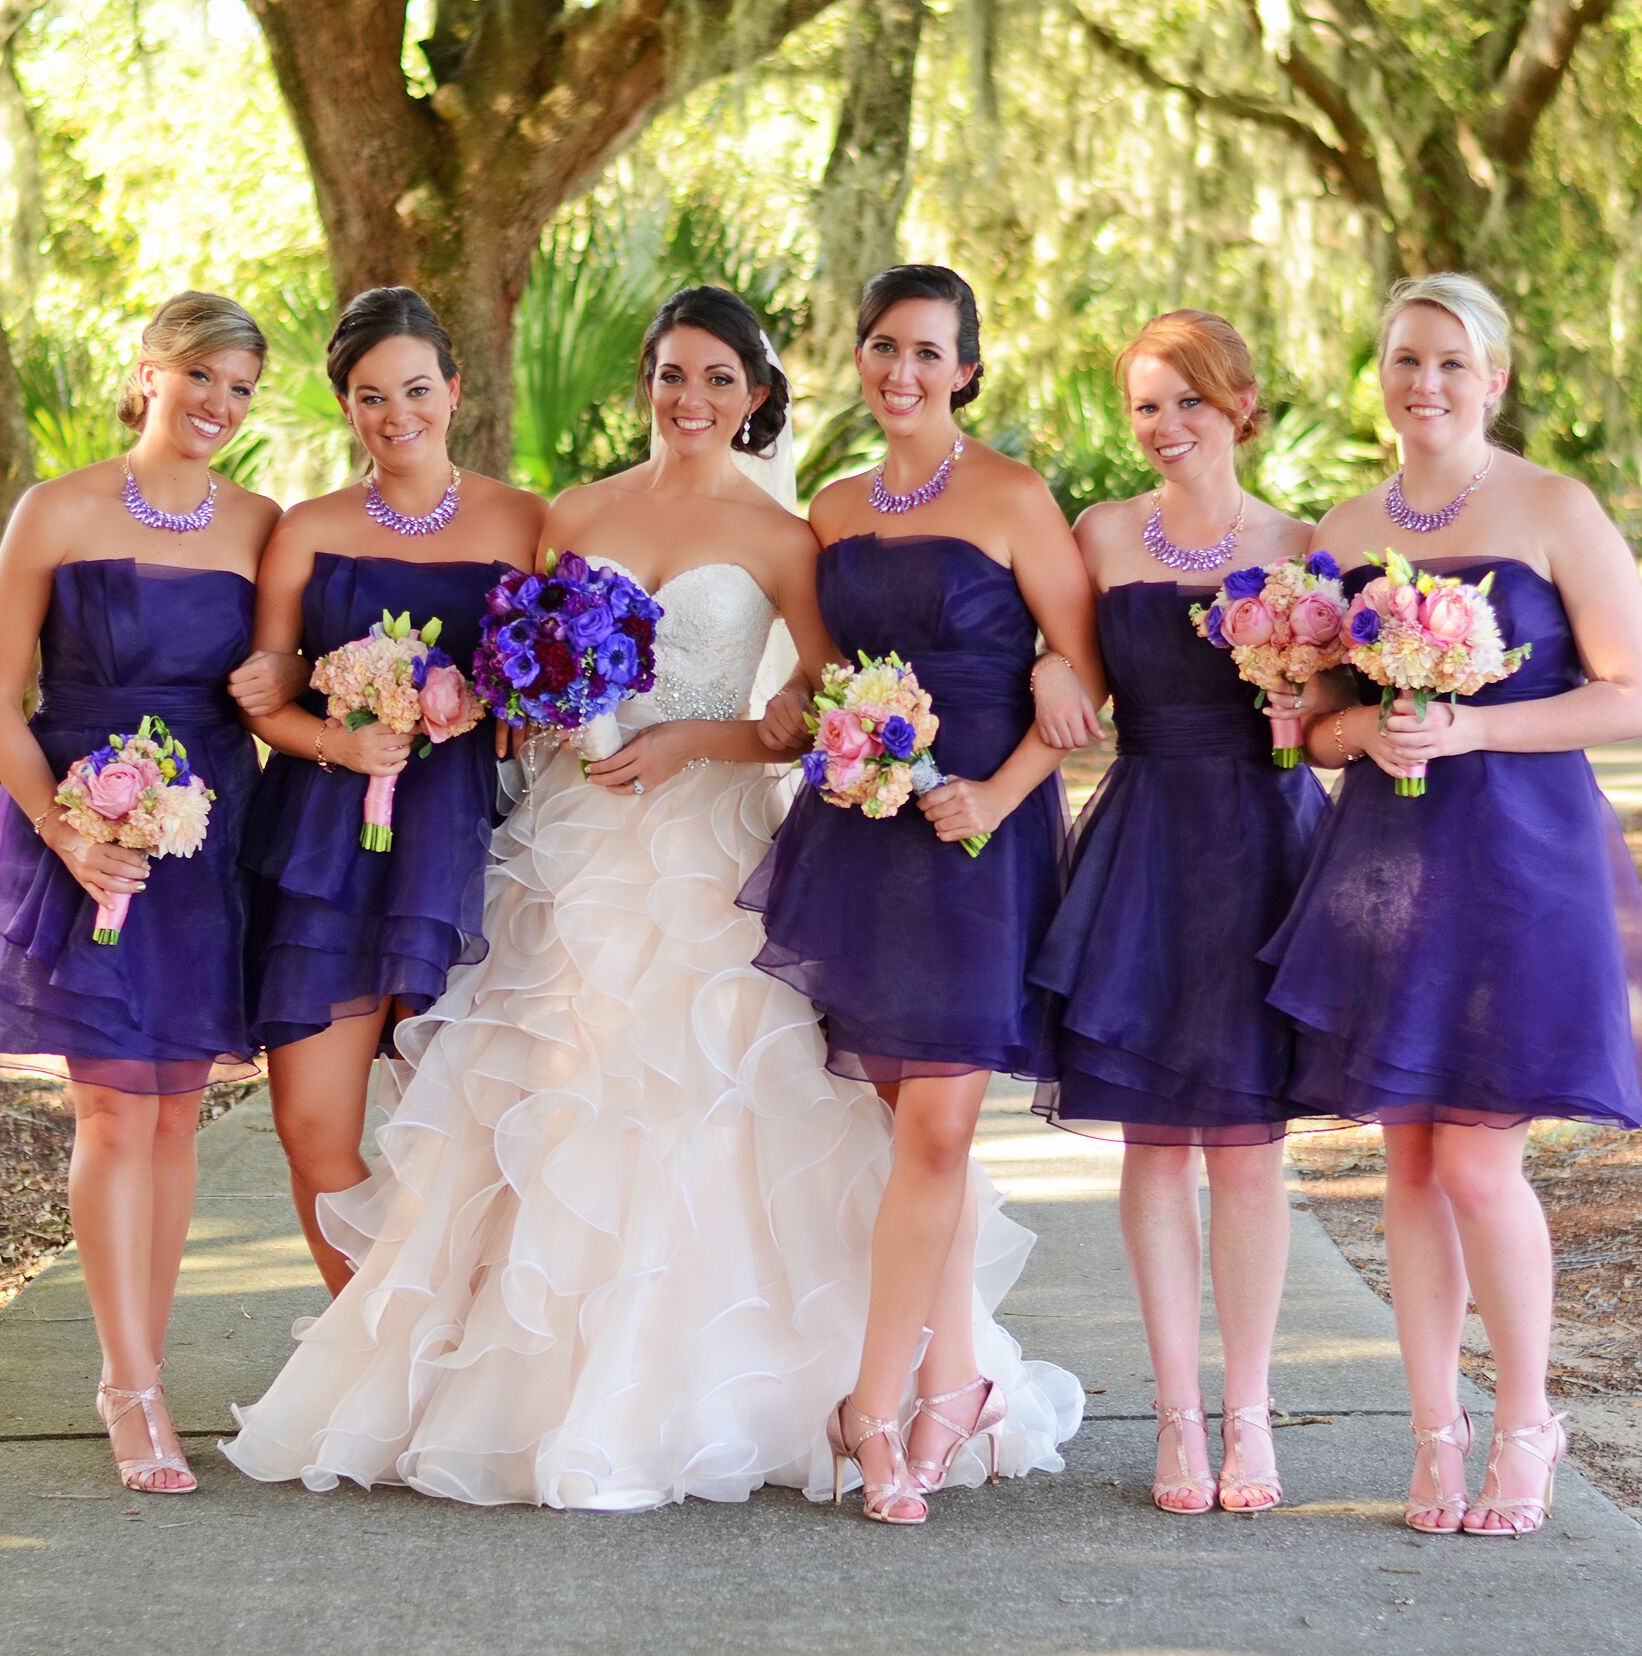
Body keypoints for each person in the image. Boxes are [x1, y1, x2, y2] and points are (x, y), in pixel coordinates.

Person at [222, 287, 1081, 1512]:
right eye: (674, 375)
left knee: (720, 1098)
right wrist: (523, 705)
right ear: (647, 381)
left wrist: (699, 742)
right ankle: (525, 1390)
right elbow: (517, 684)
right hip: (574, 840)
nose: (693, 401)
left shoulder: (794, 537)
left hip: (708, 847)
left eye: (720, 382)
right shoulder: (574, 516)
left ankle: (775, 1388)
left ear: (756, 398)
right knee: (555, 1095)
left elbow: (819, 726)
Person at [1265, 273, 1642, 1537]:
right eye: (1406, 359)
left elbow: (1633, 697)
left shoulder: (1556, 509)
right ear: (1381, 375)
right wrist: (1352, 728)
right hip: (1388, 869)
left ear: (1494, 379)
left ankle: (1526, 1423)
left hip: (1523, 858)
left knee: (1474, 1152)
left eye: (1452, 363)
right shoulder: (1344, 528)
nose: (1426, 383)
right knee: (1407, 1151)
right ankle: (1433, 1438)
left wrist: (1467, 725)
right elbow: (1319, 730)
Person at [740, 264, 1104, 1523]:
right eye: (882, 347)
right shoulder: (830, 513)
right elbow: (820, 677)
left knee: (939, 1131)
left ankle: (875, 1408)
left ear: (966, 369)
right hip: (860, 840)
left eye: (928, 353)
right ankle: (961, 1381)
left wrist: (999, 795)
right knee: (914, 1138)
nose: (902, 372)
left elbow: (1085, 670)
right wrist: (804, 711)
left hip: (978, 842)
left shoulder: (1010, 495)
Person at [0, 291, 281, 1493]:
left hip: (206, 835)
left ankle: (151, 1362)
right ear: (149, 373)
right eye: (204, 380)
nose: (220, 407)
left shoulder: (261, 527)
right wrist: (72, 834)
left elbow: (275, 689)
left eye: (242, 389)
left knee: (177, 1112)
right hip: (84, 829)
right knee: (114, 1112)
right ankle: (127, 1386)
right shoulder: (57, 509)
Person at [1028, 311, 1323, 1514]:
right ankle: (1175, 1420)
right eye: (1146, 405)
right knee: (1154, 1146)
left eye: (1188, 402)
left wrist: (1307, 698)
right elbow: (1067, 671)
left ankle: (1248, 1415)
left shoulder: (1302, 541)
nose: (1166, 427)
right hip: (1146, 841)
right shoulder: (1098, 534)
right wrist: (1054, 669)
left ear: (1240, 404)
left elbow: (1337, 718)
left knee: (1248, 1150)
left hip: (1264, 842)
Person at [239, 287, 544, 1294]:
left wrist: (506, 707)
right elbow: (264, 692)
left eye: (416, 389)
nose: (396, 415)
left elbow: (553, 684)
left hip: (461, 845)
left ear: (454, 391)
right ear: (346, 408)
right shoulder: (305, 530)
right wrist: (334, 740)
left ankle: (454, 1354)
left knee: (463, 1123)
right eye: (370, 397)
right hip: (324, 841)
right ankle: (365, 1343)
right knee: (313, 1123)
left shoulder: (525, 521)